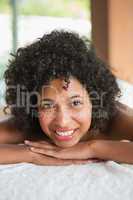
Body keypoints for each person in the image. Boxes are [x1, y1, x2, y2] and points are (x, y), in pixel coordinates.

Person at [0, 30, 133, 165]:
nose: (62, 121)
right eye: (47, 105)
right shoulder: (31, 123)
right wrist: (32, 155)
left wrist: (92, 148)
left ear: (95, 102)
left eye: (75, 103)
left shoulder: (114, 121)